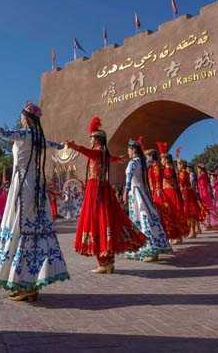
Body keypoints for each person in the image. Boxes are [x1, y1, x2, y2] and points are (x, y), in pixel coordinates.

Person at [0, 103, 69, 301]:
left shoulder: (25, 134)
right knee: (34, 230)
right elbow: (56, 145)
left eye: (22, 116)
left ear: (26, 118)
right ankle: (30, 284)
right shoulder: (39, 138)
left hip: (23, 186)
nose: (20, 118)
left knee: (20, 228)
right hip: (37, 187)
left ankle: (25, 284)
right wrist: (64, 145)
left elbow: (4, 133)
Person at [66, 117, 146, 274]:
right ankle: (108, 262)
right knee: (105, 220)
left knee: (97, 221)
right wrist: (119, 158)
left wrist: (74, 146)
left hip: (95, 190)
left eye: (91, 138)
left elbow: (87, 151)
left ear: (97, 140)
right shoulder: (103, 153)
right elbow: (111, 158)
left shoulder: (97, 152)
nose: (90, 140)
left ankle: (104, 263)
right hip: (102, 189)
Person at [124, 139, 172, 262]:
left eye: (129, 149)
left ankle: (150, 248)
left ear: (133, 150)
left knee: (142, 217)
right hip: (142, 192)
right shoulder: (141, 162)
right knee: (148, 218)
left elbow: (129, 178)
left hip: (136, 194)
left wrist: (125, 191)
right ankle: (154, 246)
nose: (128, 152)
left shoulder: (133, 163)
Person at [159, 148, 187, 244]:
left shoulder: (168, 169)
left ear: (166, 160)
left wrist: (161, 174)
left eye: (162, 159)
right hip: (168, 192)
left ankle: (177, 236)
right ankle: (175, 236)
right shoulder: (168, 169)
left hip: (170, 193)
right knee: (171, 214)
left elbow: (169, 179)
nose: (161, 161)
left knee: (173, 214)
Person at [176, 157, 202, 238]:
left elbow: (181, 184)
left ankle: (192, 231)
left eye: (178, 164)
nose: (177, 166)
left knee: (189, 212)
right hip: (188, 192)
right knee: (192, 211)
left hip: (186, 193)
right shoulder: (185, 172)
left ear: (181, 165)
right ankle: (195, 229)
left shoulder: (182, 173)